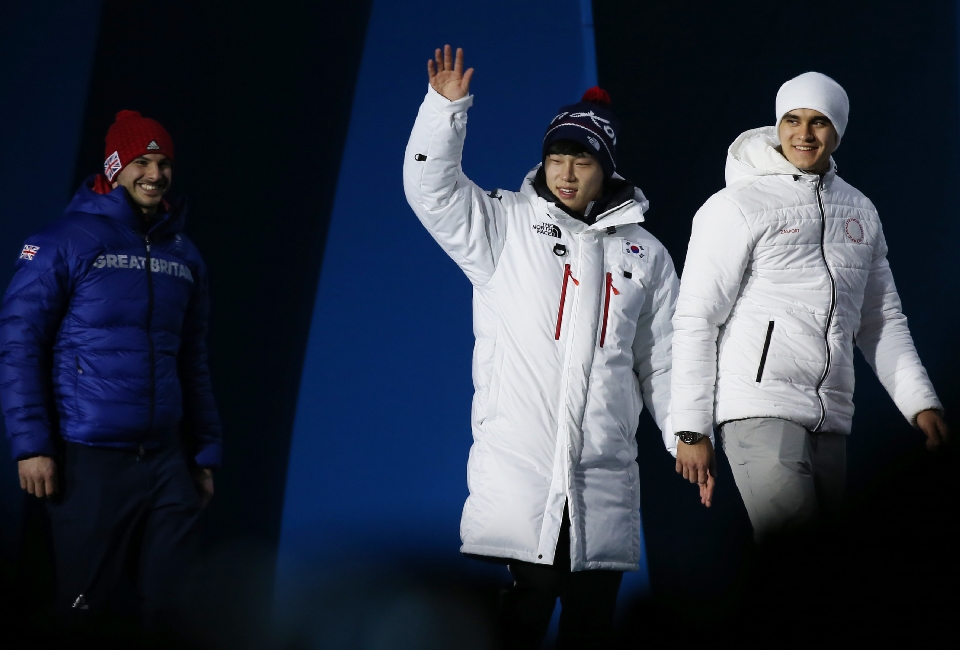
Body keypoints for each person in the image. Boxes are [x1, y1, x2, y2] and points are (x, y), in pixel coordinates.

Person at [403, 46, 683, 648]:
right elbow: (432, 191)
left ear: (605, 168)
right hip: (522, 485)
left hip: (603, 490)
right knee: (513, 632)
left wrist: (686, 432)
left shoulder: (646, 255)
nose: (565, 171)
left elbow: (662, 359)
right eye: (556, 157)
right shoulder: (504, 226)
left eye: (580, 160)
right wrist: (443, 112)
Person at [670, 72, 948, 540]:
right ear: (777, 125)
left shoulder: (859, 210)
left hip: (830, 414)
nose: (803, 134)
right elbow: (697, 318)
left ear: (837, 130)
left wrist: (922, 405)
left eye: (819, 122)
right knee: (796, 552)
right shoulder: (735, 207)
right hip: (757, 406)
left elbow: (880, 321)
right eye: (792, 120)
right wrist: (691, 430)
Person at [0, 110, 222, 628]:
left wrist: (204, 454)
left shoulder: (184, 254)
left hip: (167, 461)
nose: (155, 173)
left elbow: (193, 360)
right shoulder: (61, 241)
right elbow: (18, 344)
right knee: (82, 610)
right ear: (115, 167)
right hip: (89, 460)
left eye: (164, 163)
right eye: (141, 161)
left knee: (170, 612)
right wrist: (32, 445)